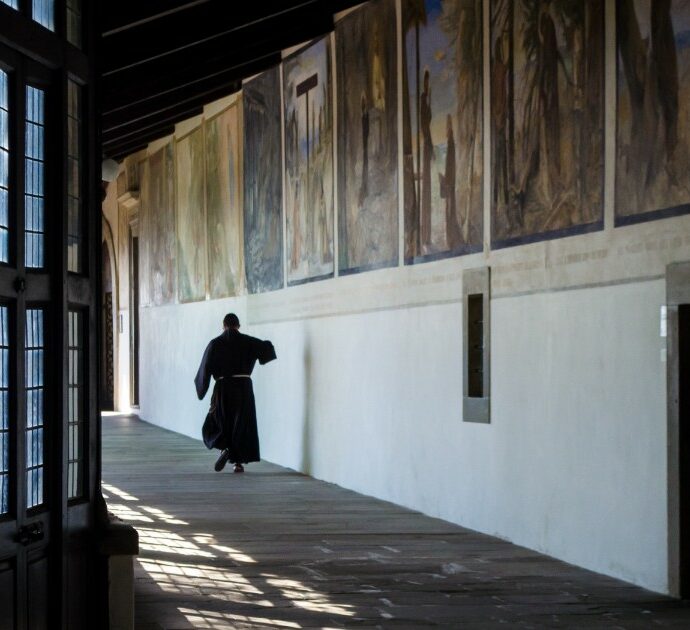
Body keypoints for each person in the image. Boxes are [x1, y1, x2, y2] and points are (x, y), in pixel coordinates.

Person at [194, 313, 276, 473]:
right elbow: (267, 350)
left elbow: (204, 369)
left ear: (223, 326)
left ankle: (224, 448)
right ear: (238, 326)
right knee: (241, 424)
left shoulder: (215, 343)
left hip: (223, 387)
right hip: (243, 387)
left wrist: (202, 389)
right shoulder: (248, 341)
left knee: (220, 422)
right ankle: (238, 463)